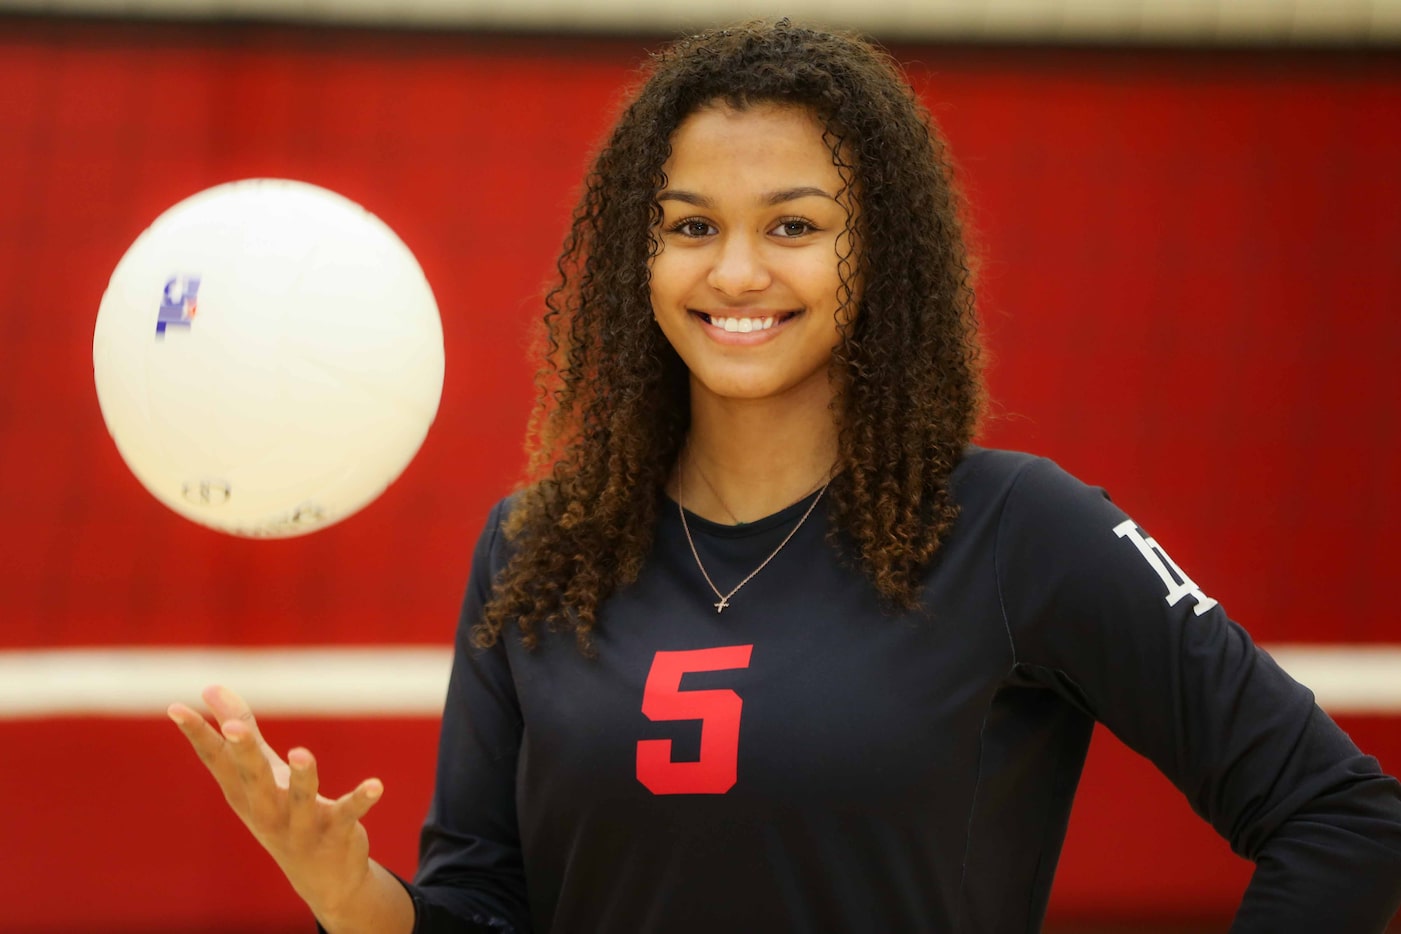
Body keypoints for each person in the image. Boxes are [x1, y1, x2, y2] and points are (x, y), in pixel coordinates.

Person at [169, 18, 1401, 933]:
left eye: (794, 225)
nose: (737, 272)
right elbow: (481, 912)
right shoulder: (540, 544)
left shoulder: (1017, 531)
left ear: (880, 255)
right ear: (637, 256)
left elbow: (1345, 817)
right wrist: (344, 890)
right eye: (691, 224)